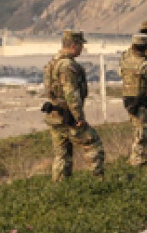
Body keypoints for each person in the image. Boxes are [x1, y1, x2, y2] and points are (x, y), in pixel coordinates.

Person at [42, 29, 106, 181]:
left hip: (54, 115)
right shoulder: (67, 66)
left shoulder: (52, 63)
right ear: (73, 46)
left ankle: (60, 187)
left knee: (62, 155)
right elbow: (71, 93)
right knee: (93, 144)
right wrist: (79, 117)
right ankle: (98, 181)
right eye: (80, 45)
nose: (82, 48)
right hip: (68, 116)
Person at [119, 30, 147, 178]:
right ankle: (137, 166)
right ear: (146, 47)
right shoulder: (146, 65)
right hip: (143, 103)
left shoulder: (125, 61)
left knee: (137, 133)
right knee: (143, 137)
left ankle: (137, 167)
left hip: (129, 102)